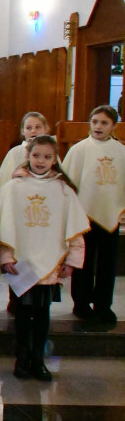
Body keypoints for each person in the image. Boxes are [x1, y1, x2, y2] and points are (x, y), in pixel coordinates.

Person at [0, 135, 88, 381]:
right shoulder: (13, 187)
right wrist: (6, 256)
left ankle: (39, 359)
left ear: (55, 159)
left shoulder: (63, 189)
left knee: (43, 313)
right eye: (36, 155)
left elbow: (75, 230)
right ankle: (21, 358)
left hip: (51, 263)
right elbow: (4, 226)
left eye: (48, 157)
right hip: (21, 263)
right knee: (23, 315)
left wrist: (71, 261)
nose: (41, 161)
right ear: (28, 156)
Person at [61, 105, 125, 324]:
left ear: (114, 126)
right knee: (84, 262)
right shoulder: (79, 150)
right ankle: (81, 303)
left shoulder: (121, 151)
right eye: (95, 121)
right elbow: (68, 182)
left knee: (107, 263)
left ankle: (103, 305)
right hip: (84, 215)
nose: (98, 126)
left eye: (104, 123)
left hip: (110, 214)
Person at [0, 112, 50, 194]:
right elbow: (6, 180)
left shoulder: (51, 152)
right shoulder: (15, 152)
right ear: (22, 131)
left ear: (45, 129)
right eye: (29, 128)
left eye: (38, 127)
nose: (33, 131)